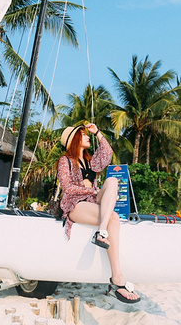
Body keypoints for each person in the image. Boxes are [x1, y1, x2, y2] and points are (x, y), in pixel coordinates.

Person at [57, 123, 140, 304]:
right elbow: (67, 187)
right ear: (74, 139)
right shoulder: (66, 160)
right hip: (76, 204)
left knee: (111, 180)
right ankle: (118, 278)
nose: (87, 136)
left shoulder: (91, 161)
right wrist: (92, 192)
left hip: (93, 202)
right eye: (83, 134)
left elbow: (107, 153)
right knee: (114, 217)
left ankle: (102, 232)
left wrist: (98, 133)